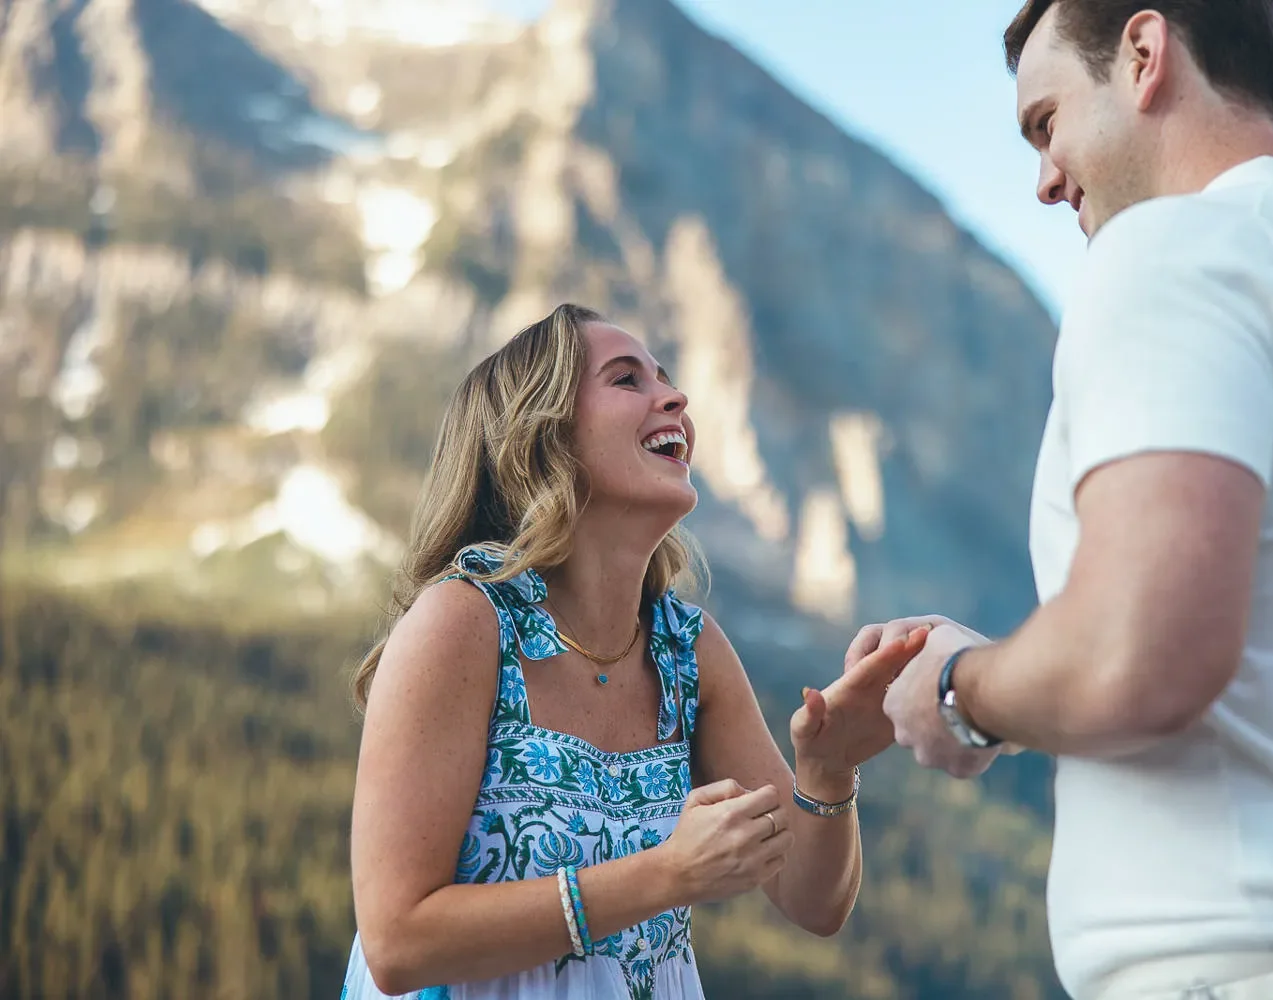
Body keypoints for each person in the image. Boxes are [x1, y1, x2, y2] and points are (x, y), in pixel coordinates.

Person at [853, 2, 1273, 999]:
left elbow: (1139, 653)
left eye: (1047, 120)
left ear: (1145, 56)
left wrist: (959, 689)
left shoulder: (1172, 251)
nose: (1044, 178)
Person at [340, 303, 924, 999]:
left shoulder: (689, 650)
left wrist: (829, 772)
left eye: (667, 379)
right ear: (543, 436)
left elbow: (813, 900)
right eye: (627, 381)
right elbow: (397, 942)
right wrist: (663, 877)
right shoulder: (463, 623)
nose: (674, 397)